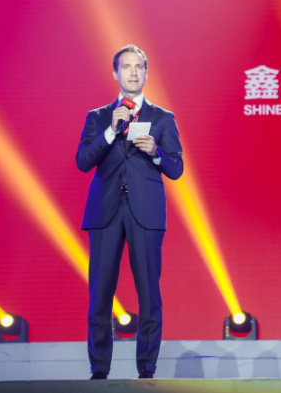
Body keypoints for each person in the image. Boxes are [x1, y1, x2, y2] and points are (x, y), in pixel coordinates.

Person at [76, 44, 183, 380]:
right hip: (105, 213)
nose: (133, 73)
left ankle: (147, 369)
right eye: (126, 67)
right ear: (115, 73)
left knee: (149, 294)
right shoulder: (97, 117)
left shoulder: (163, 118)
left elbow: (177, 168)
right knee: (100, 294)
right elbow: (83, 161)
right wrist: (111, 131)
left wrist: (156, 152)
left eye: (139, 67)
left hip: (145, 213)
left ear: (146, 73)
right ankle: (99, 369)